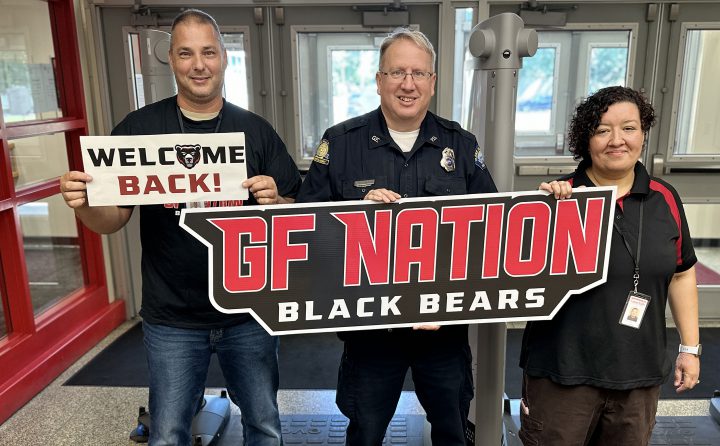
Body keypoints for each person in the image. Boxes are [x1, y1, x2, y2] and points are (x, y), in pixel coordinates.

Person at [60, 9, 300, 446]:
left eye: (208, 51)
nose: (199, 64)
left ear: (224, 58)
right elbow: (111, 219)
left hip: (249, 313)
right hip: (171, 317)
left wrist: (276, 200)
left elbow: (297, 213)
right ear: (170, 59)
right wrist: (83, 207)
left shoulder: (256, 131)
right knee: (167, 434)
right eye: (186, 53)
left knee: (264, 426)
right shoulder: (138, 131)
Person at [296, 28, 497, 445]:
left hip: (442, 329)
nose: (408, 84)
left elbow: (493, 227)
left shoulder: (460, 145)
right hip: (370, 333)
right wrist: (354, 214)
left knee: (452, 431)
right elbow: (305, 227)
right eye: (398, 72)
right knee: (365, 432)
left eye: (419, 73)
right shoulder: (341, 142)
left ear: (433, 82)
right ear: (379, 80)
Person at [519, 86, 700, 445]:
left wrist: (690, 349)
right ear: (585, 140)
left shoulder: (665, 198)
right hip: (562, 377)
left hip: (637, 378)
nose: (617, 140)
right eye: (602, 130)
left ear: (643, 134)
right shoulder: (556, 200)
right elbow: (516, 282)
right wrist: (541, 216)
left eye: (629, 128)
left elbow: (682, 273)